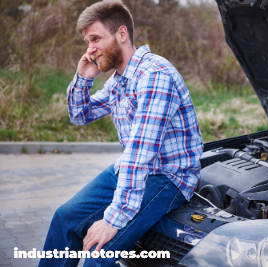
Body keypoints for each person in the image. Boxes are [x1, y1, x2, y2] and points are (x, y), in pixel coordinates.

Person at [39, 0, 203, 266]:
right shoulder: (120, 80)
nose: (90, 49)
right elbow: (81, 115)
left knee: (99, 252)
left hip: (169, 177)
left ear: (122, 34)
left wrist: (112, 221)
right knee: (65, 217)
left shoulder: (155, 75)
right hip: (135, 169)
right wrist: (83, 78)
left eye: (95, 39)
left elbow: (140, 154)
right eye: (87, 42)